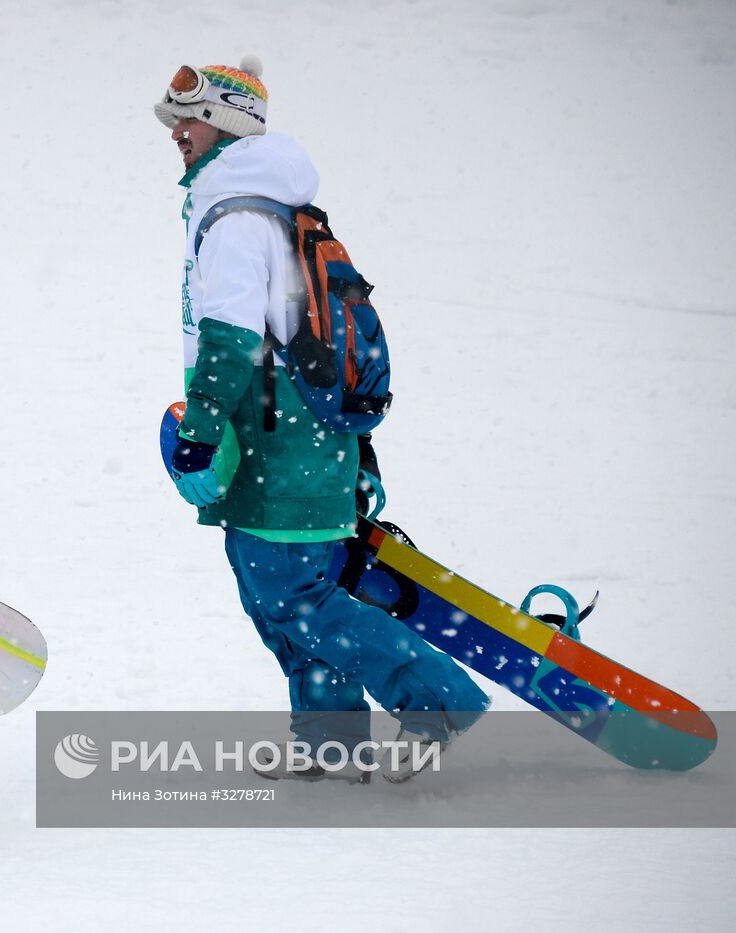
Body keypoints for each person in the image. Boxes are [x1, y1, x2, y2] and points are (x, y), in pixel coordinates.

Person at [154, 59, 488, 782]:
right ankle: (329, 741)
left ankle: (436, 702)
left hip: (281, 441)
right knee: (276, 596)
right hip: (291, 437)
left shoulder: (242, 218)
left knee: (294, 593)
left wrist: (202, 423)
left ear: (228, 122)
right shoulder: (253, 207)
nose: (175, 132)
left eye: (189, 117)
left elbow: (232, 337)